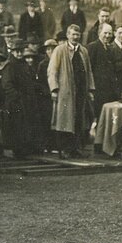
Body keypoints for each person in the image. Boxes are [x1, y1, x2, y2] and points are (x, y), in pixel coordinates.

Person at [47, 24, 95, 158]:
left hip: (80, 92)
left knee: (79, 120)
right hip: (65, 92)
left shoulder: (83, 51)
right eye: (73, 34)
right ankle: (65, 150)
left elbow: (89, 71)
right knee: (65, 121)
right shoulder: (60, 50)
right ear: (68, 35)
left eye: (77, 35)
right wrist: (54, 89)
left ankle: (76, 148)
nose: (75, 37)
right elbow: (52, 71)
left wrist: (90, 89)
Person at [1, 48, 43, 158]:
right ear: (13, 52)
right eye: (17, 51)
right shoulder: (9, 66)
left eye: (20, 51)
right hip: (15, 102)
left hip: (27, 100)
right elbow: (7, 85)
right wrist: (17, 97)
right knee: (17, 125)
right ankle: (17, 150)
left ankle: (27, 148)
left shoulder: (25, 66)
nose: (19, 53)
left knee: (27, 124)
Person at [87, 23, 118, 118]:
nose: (107, 36)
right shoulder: (92, 47)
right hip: (97, 90)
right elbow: (88, 69)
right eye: (105, 33)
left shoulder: (109, 49)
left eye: (109, 33)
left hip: (108, 90)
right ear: (99, 33)